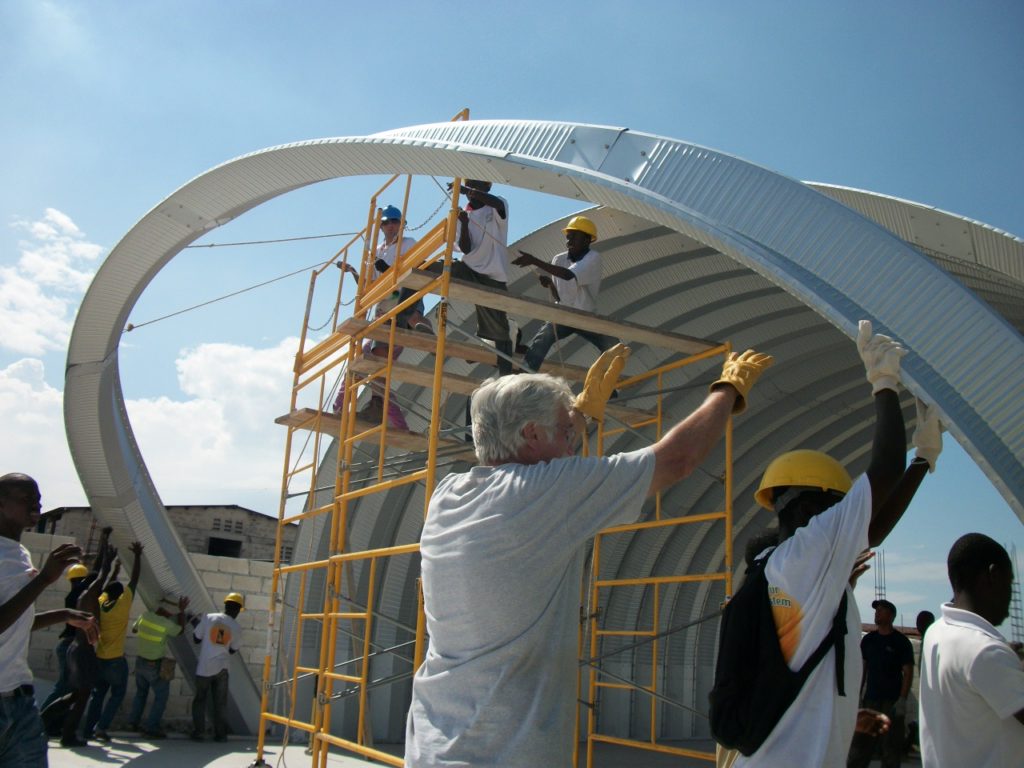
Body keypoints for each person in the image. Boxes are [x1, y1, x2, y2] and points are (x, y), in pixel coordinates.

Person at [403, 341, 774, 767]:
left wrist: (578, 415)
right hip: (504, 752)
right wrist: (728, 389)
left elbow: (541, 460)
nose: (572, 444)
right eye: (565, 433)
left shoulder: (448, 495)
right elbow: (677, 460)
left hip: (434, 744)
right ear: (531, 434)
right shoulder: (543, 493)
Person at [721, 321, 925, 768]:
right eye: (836, 506)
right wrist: (883, 383)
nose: (844, 518)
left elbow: (873, 529)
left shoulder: (791, 568)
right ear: (811, 507)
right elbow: (883, 472)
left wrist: (923, 462)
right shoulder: (805, 553)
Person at [0, 473, 98, 765]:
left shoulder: (19, 553)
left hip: (19, 700)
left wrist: (64, 615)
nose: (36, 505)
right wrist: (43, 578)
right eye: (26, 499)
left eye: (38, 500)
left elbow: (15, 623)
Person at [919, 533, 1024, 766]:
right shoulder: (986, 651)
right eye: (1010, 584)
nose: (1010, 597)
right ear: (992, 575)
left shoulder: (937, 631)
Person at [334, 205, 431, 429]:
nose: (390, 226)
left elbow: (407, 274)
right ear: (381, 226)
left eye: (394, 222)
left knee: (373, 367)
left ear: (401, 224)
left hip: (400, 305)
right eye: (387, 222)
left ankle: (342, 408)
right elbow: (371, 285)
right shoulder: (377, 250)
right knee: (371, 369)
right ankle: (390, 421)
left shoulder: (408, 244)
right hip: (384, 312)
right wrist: (352, 272)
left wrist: (384, 267)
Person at [426, 180, 513, 375]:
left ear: (488, 188)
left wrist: (470, 191)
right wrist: (464, 224)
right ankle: (413, 321)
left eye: (478, 186)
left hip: (494, 277)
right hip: (469, 269)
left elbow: (498, 205)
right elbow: (465, 248)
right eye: (470, 187)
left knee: (500, 331)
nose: (472, 193)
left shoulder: (497, 205)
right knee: (428, 269)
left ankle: (506, 373)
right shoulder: (461, 215)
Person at [513, 215, 618, 372]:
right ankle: (525, 373)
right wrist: (550, 285)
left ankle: (608, 383)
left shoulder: (593, 258)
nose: (568, 241)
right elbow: (559, 297)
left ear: (587, 240)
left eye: (574, 237)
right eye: (568, 238)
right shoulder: (559, 259)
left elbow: (568, 275)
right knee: (542, 340)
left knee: (613, 346)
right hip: (563, 314)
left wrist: (534, 261)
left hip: (585, 315)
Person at [40, 525, 112, 712]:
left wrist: (104, 540)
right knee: (65, 687)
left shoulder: (73, 593)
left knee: (70, 688)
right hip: (74, 645)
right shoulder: (84, 592)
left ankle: (53, 722)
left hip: (67, 644)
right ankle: (42, 719)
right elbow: (99, 571)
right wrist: (106, 549)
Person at [84, 539, 143, 741]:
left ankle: (88, 729)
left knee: (97, 695)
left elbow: (107, 586)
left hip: (98, 658)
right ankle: (101, 727)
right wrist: (137, 555)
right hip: (116, 660)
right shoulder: (122, 605)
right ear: (120, 595)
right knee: (117, 694)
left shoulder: (100, 603)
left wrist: (113, 567)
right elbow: (134, 579)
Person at [60, 539, 116, 746]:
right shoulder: (89, 595)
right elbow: (101, 578)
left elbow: (101, 580)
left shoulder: (82, 596)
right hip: (83, 650)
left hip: (78, 647)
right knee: (82, 695)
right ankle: (68, 734)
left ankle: (51, 722)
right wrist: (108, 563)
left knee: (75, 694)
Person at [847, 598, 914, 767]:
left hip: (891, 702)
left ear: (891, 615)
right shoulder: (869, 640)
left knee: (890, 747)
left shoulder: (901, 642)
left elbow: (908, 672)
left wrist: (903, 700)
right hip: (871, 700)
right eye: (876, 610)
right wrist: (858, 694)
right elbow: (863, 668)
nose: (876, 613)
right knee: (861, 745)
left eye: (881, 610)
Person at [127, 595, 189, 738]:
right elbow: (180, 631)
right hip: (154, 665)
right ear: (169, 611)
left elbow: (134, 630)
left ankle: (132, 722)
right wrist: (181, 612)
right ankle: (151, 727)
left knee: (141, 694)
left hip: (140, 662)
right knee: (161, 697)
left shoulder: (145, 616)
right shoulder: (165, 624)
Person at [191, 592, 244, 742]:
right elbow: (233, 650)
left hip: (205, 668)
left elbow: (196, 638)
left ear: (225, 605)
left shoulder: (209, 618)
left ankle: (199, 732)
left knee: (200, 700)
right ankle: (220, 735)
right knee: (220, 703)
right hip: (222, 668)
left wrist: (195, 624)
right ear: (238, 610)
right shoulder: (236, 627)